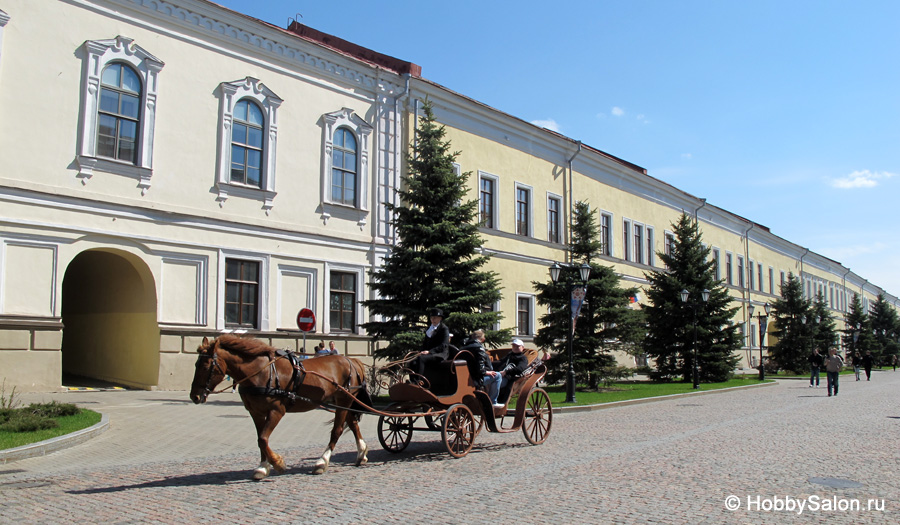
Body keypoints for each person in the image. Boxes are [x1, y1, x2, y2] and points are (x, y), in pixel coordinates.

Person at [459, 329, 503, 405]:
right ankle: (493, 402)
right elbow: (480, 366)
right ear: (482, 339)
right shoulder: (479, 348)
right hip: (476, 379)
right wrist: (486, 372)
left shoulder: (463, 348)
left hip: (464, 378)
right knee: (498, 376)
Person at [409, 308, 451, 384]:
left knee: (421, 359)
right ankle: (413, 381)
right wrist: (421, 351)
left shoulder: (444, 329)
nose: (433, 319)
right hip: (429, 354)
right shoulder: (430, 329)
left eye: (435, 317)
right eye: (431, 317)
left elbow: (444, 345)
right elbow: (425, 343)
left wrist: (429, 351)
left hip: (440, 354)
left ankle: (419, 381)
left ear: (440, 318)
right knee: (412, 362)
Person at [492, 338, 529, 407]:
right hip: (500, 375)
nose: (515, 348)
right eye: (514, 346)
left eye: (517, 346)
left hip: (509, 378)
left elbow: (520, 368)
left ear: (522, 348)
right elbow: (500, 362)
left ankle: (493, 401)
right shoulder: (509, 355)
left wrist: (506, 372)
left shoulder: (522, 358)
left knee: (494, 383)